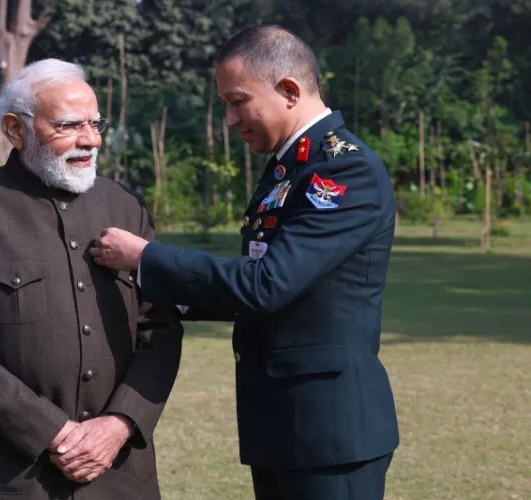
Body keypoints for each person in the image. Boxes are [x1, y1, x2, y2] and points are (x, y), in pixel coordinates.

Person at [90, 25, 399, 500]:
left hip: (330, 433)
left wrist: (146, 257)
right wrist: (157, 296)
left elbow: (266, 283)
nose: (230, 119)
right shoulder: (289, 166)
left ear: (289, 91)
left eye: (237, 101)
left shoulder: (342, 169)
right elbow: (262, 289)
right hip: (282, 424)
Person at [0, 58, 183, 500]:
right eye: (68, 125)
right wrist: (51, 431)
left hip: (117, 472)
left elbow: (160, 327)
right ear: (15, 129)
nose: (90, 140)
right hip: (6, 476)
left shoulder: (125, 207)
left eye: (95, 124)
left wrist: (120, 424)